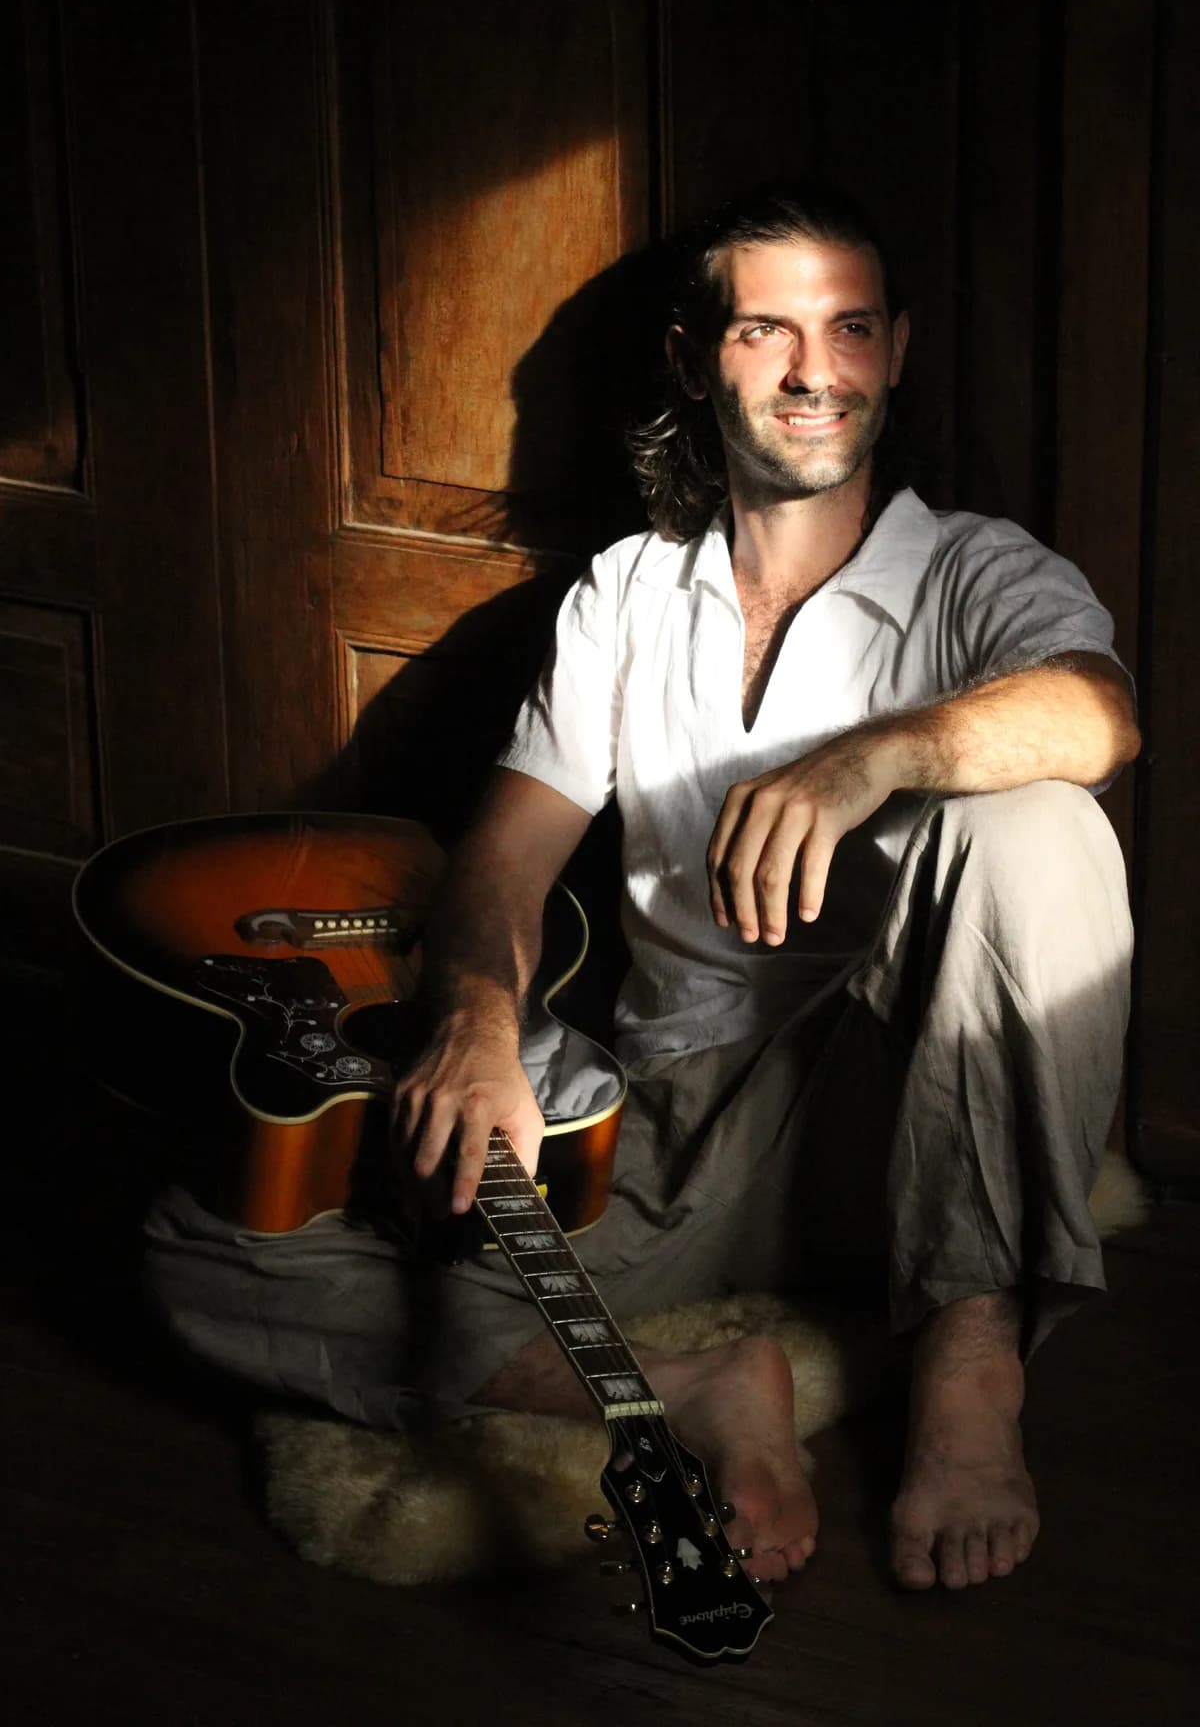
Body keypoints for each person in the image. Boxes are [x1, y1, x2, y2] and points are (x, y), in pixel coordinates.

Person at [143, 179, 1138, 1595]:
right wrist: (479, 1025)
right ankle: (702, 1388)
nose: (814, 370)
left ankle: (969, 1368)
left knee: (1041, 820)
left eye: (851, 328)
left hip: (908, 1098)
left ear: (896, 352)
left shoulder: (976, 573)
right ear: (693, 360)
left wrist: (878, 759)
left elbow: (1101, 714)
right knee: (209, 1249)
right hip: (679, 1121)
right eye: (766, 333)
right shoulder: (625, 594)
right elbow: (504, 853)